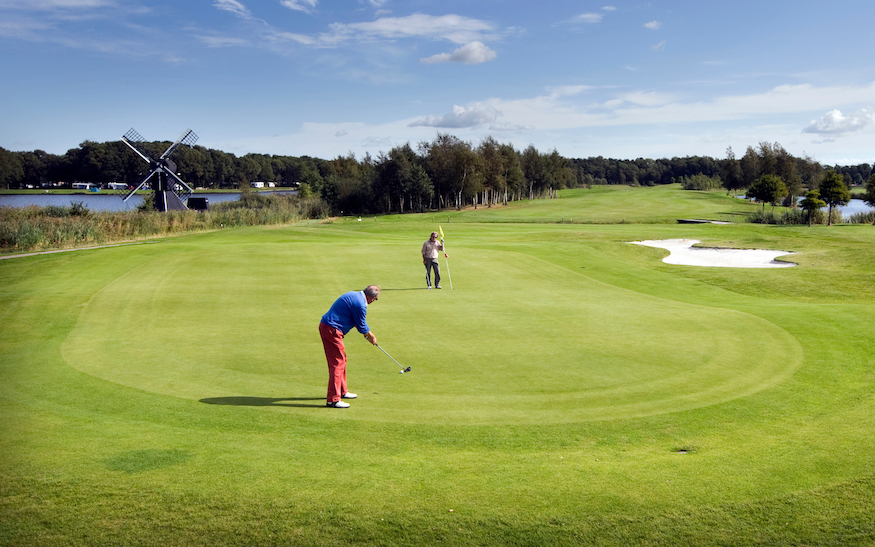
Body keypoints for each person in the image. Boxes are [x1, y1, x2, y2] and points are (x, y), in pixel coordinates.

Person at [319, 285, 380, 408]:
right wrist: (371, 337)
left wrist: (366, 334)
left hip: (329, 328)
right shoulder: (360, 304)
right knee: (337, 363)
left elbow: (357, 322)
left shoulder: (354, 294)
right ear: (372, 298)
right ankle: (333, 400)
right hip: (332, 331)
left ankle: (342, 391)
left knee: (342, 360)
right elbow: (362, 326)